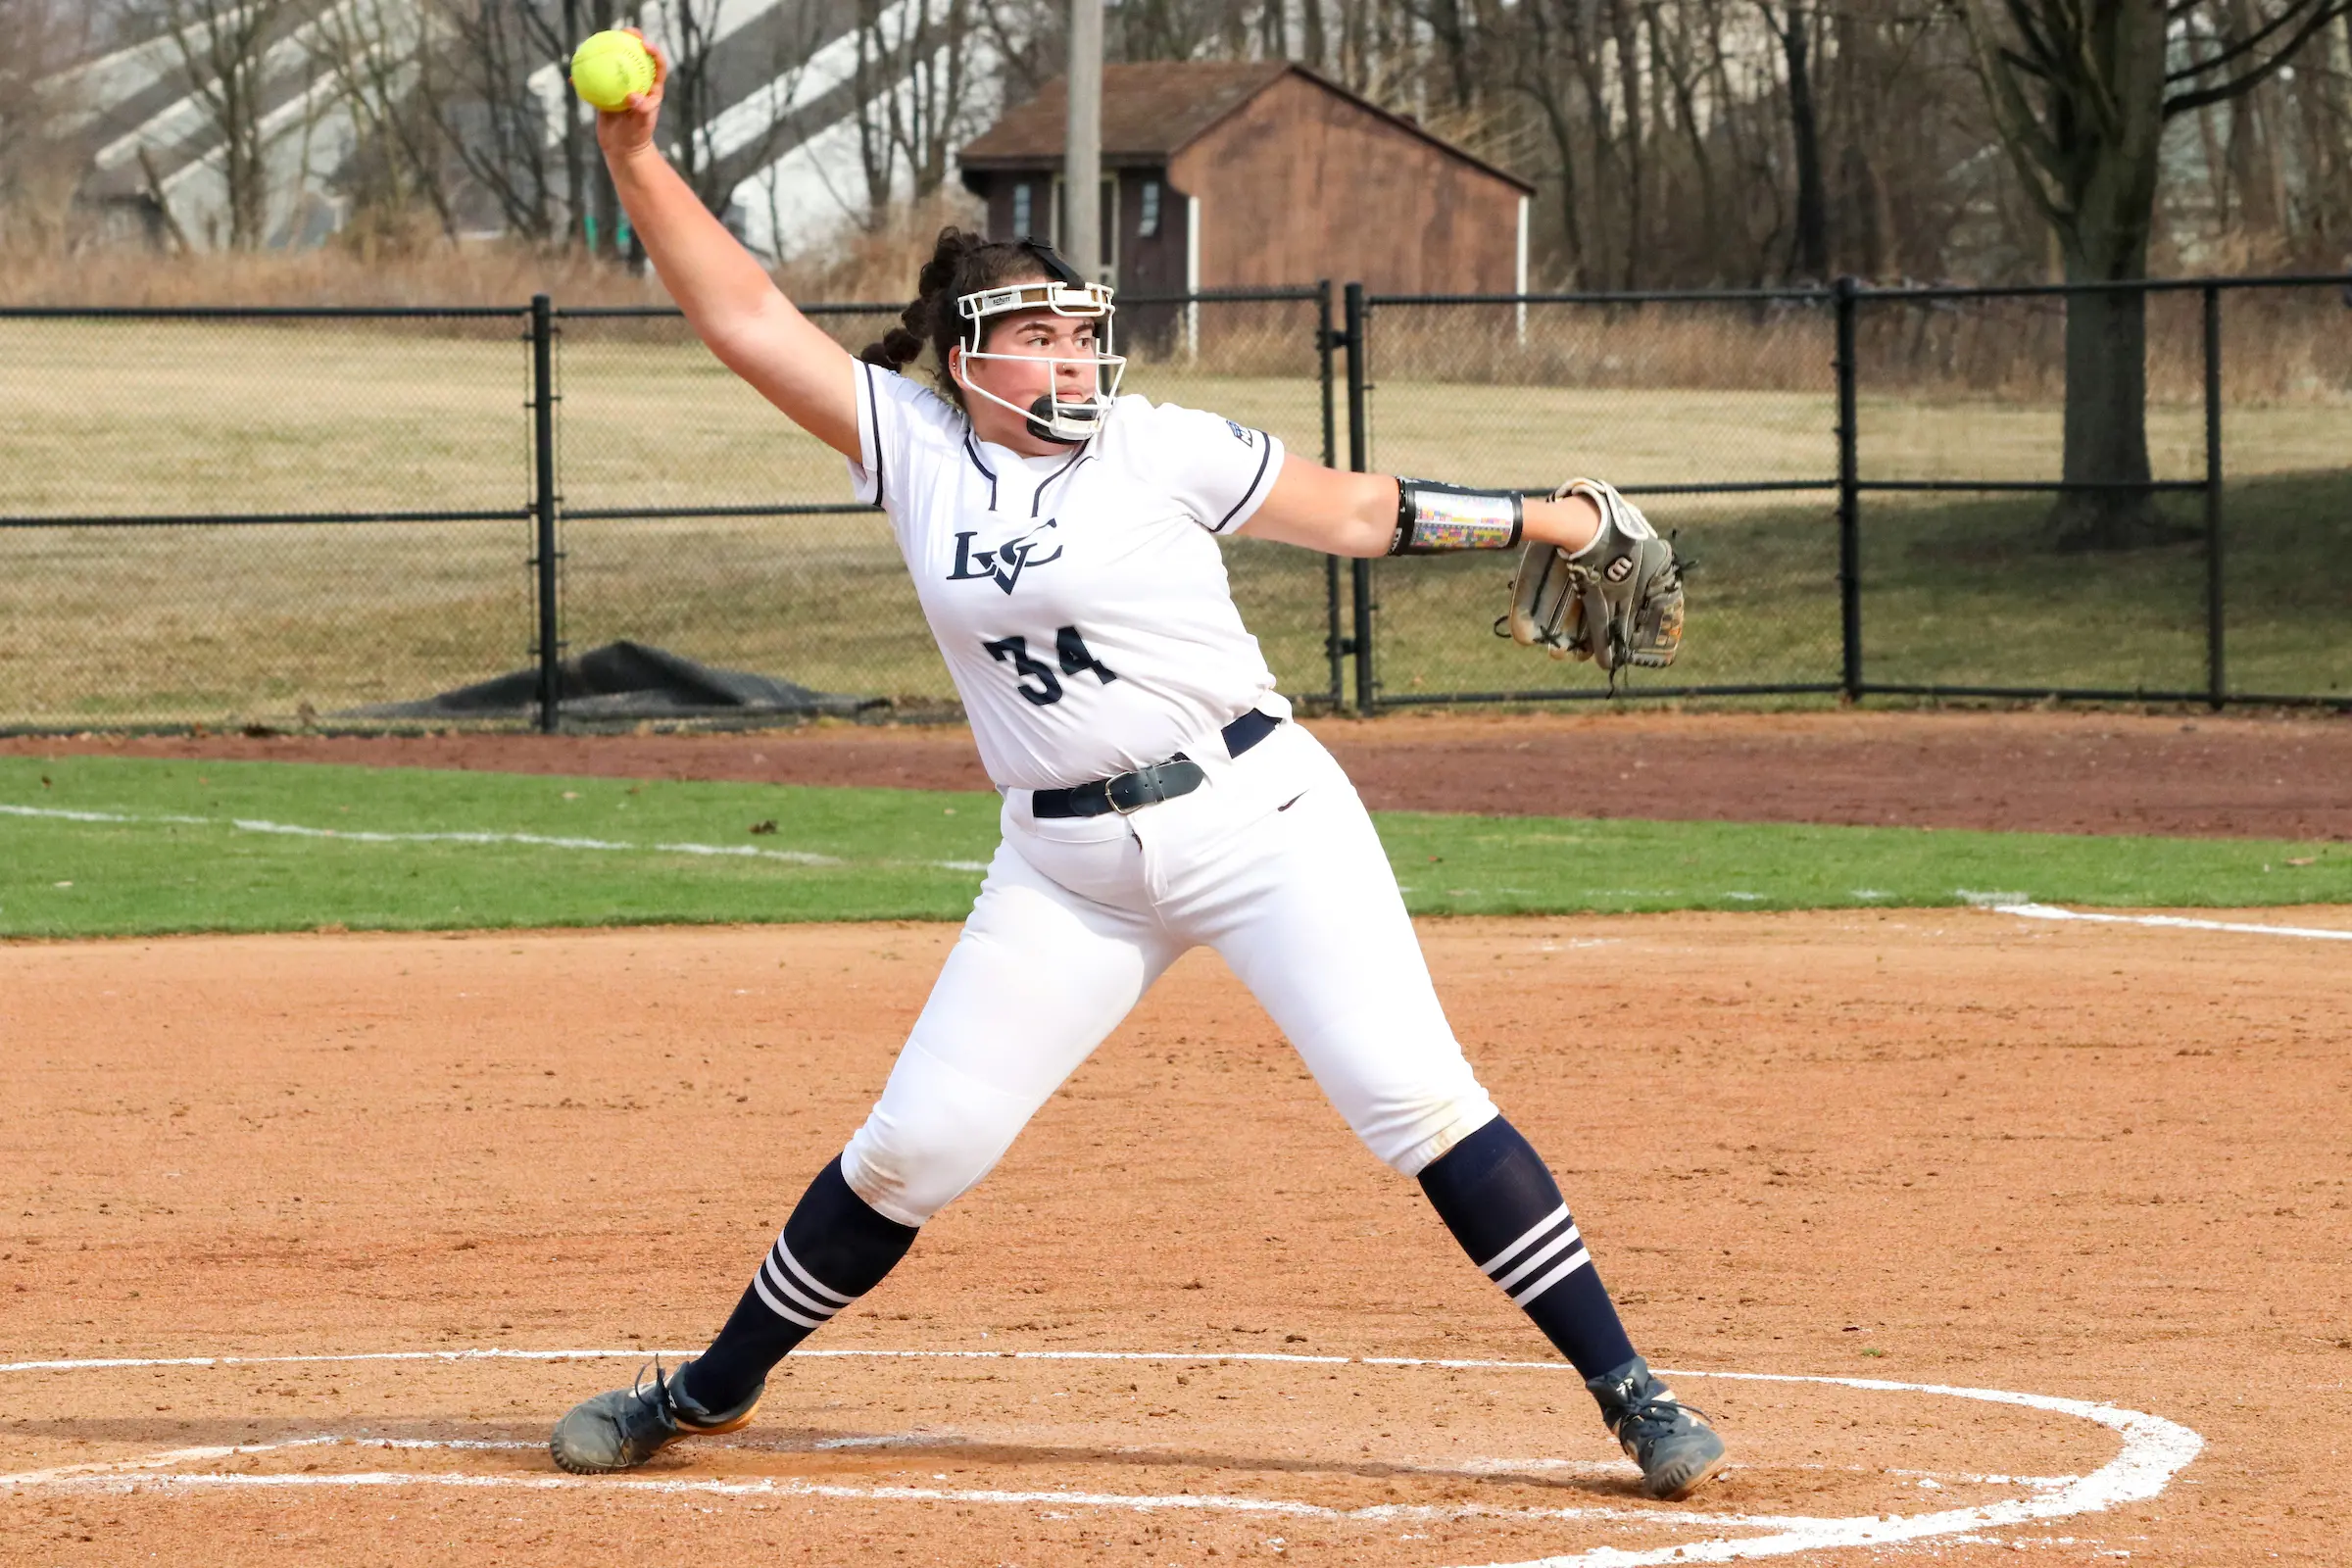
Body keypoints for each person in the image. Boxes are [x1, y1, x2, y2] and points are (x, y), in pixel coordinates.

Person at [548, 34, 1728, 1502]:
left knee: (1416, 1102)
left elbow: (1361, 515)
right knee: (919, 1148)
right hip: (1066, 867)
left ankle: (1633, 1393)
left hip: (1261, 817)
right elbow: (740, 315)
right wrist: (634, 155)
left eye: (1082, 334)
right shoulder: (912, 447)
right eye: (1038, 338)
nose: (1072, 359)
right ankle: (707, 1390)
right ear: (968, 353)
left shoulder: (1156, 447)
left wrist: (1550, 518)